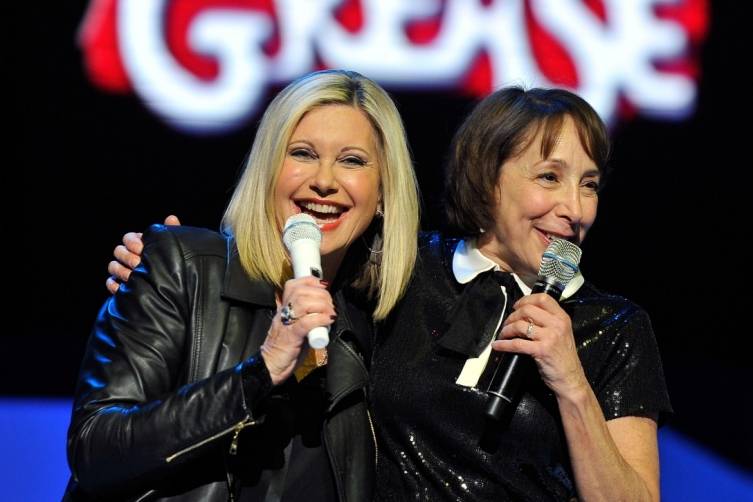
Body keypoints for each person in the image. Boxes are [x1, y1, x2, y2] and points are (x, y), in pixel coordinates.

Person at [108, 87, 671, 501]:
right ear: (487, 179)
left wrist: (572, 386)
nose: (575, 208)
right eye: (549, 177)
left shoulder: (612, 326)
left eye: (589, 184)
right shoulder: (405, 271)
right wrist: (176, 263)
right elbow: (305, 229)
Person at [64, 69, 420, 501]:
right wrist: (260, 371)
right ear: (268, 170)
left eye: (352, 161)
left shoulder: (383, 324)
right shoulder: (185, 269)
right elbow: (96, 451)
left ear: (383, 191)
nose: (325, 181)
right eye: (303, 153)